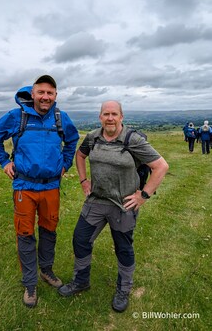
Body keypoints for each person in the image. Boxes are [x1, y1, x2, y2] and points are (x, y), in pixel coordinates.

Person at [58, 101, 169, 312]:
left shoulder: (132, 139)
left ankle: (123, 289)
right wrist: (84, 181)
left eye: (114, 114)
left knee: (123, 248)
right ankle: (81, 281)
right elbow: (80, 155)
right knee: (80, 239)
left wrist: (143, 196)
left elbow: (161, 166)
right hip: (97, 201)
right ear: (100, 116)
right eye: (106, 114)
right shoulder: (93, 137)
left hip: (123, 206)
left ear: (121, 117)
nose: (110, 118)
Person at [0, 75, 79, 308]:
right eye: (41, 93)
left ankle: (47, 271)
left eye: (50, 93)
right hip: (24, 186)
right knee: (25, 234)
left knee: (49, 230)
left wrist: (65, 164)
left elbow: (72, 140)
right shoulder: (17, 116)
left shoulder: (60, 118)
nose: (45, 97)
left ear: (55, 96)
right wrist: (4, 162)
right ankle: (30, 284)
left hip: (51, 187)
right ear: (33, 93)